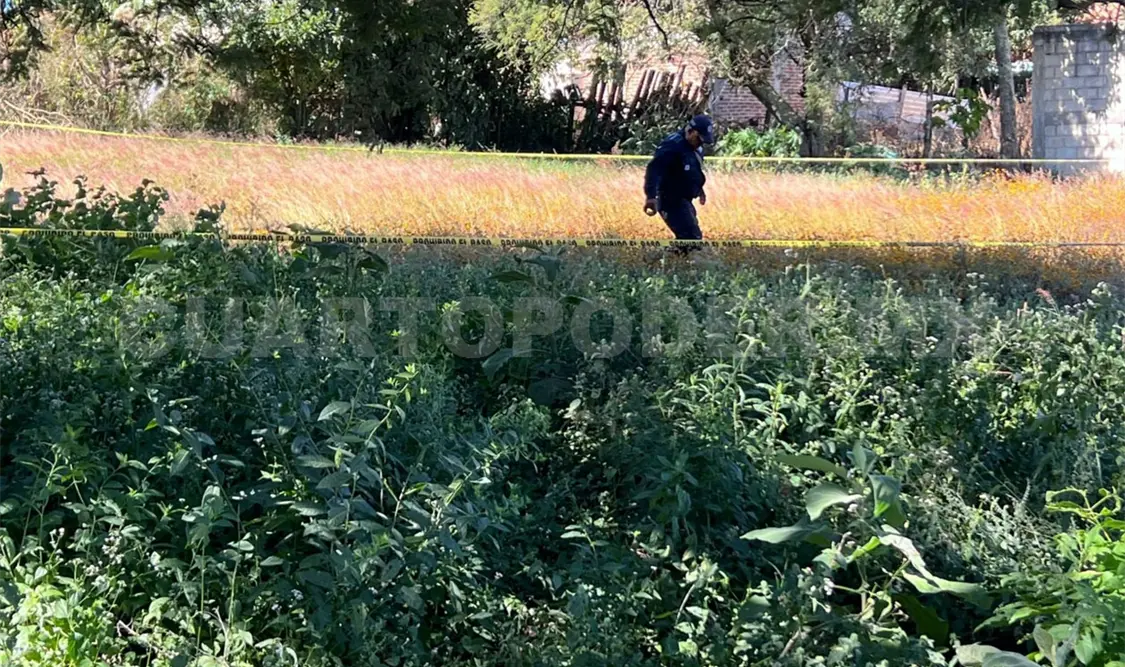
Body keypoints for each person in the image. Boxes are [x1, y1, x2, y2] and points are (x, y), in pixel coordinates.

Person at [643, 114, 714, 254]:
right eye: (699, 139)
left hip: (685, 199)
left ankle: (659, 260)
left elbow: (693, 170)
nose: (700, 144)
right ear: (691, 131)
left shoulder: (695, 148)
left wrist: (699, 188)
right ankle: (660, 261)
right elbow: (654, 170)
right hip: (670, 199)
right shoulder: (672, 146)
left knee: (687, 240)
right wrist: (651, 196)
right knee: (692, 239)